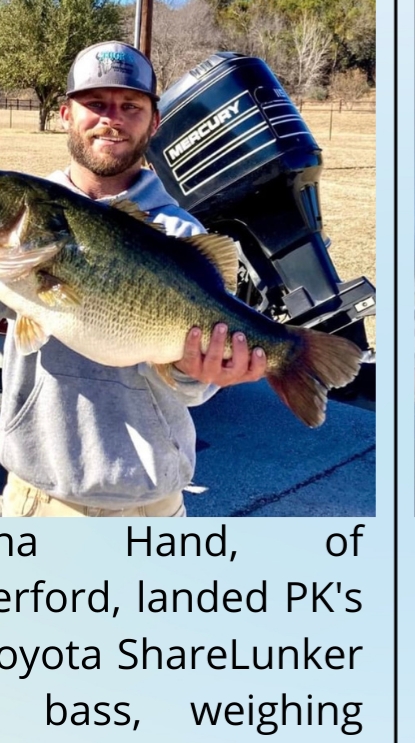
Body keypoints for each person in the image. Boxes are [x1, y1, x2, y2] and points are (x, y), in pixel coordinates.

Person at [0, 41, 266, 517]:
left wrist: (199, 370)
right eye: (95, 104)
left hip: (150, 504)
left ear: (154, 121)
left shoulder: (181, 234)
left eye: (130, 106)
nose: (111, 118)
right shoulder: (28, 228)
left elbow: (192, 389)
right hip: (34, 499)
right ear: (65, 113)